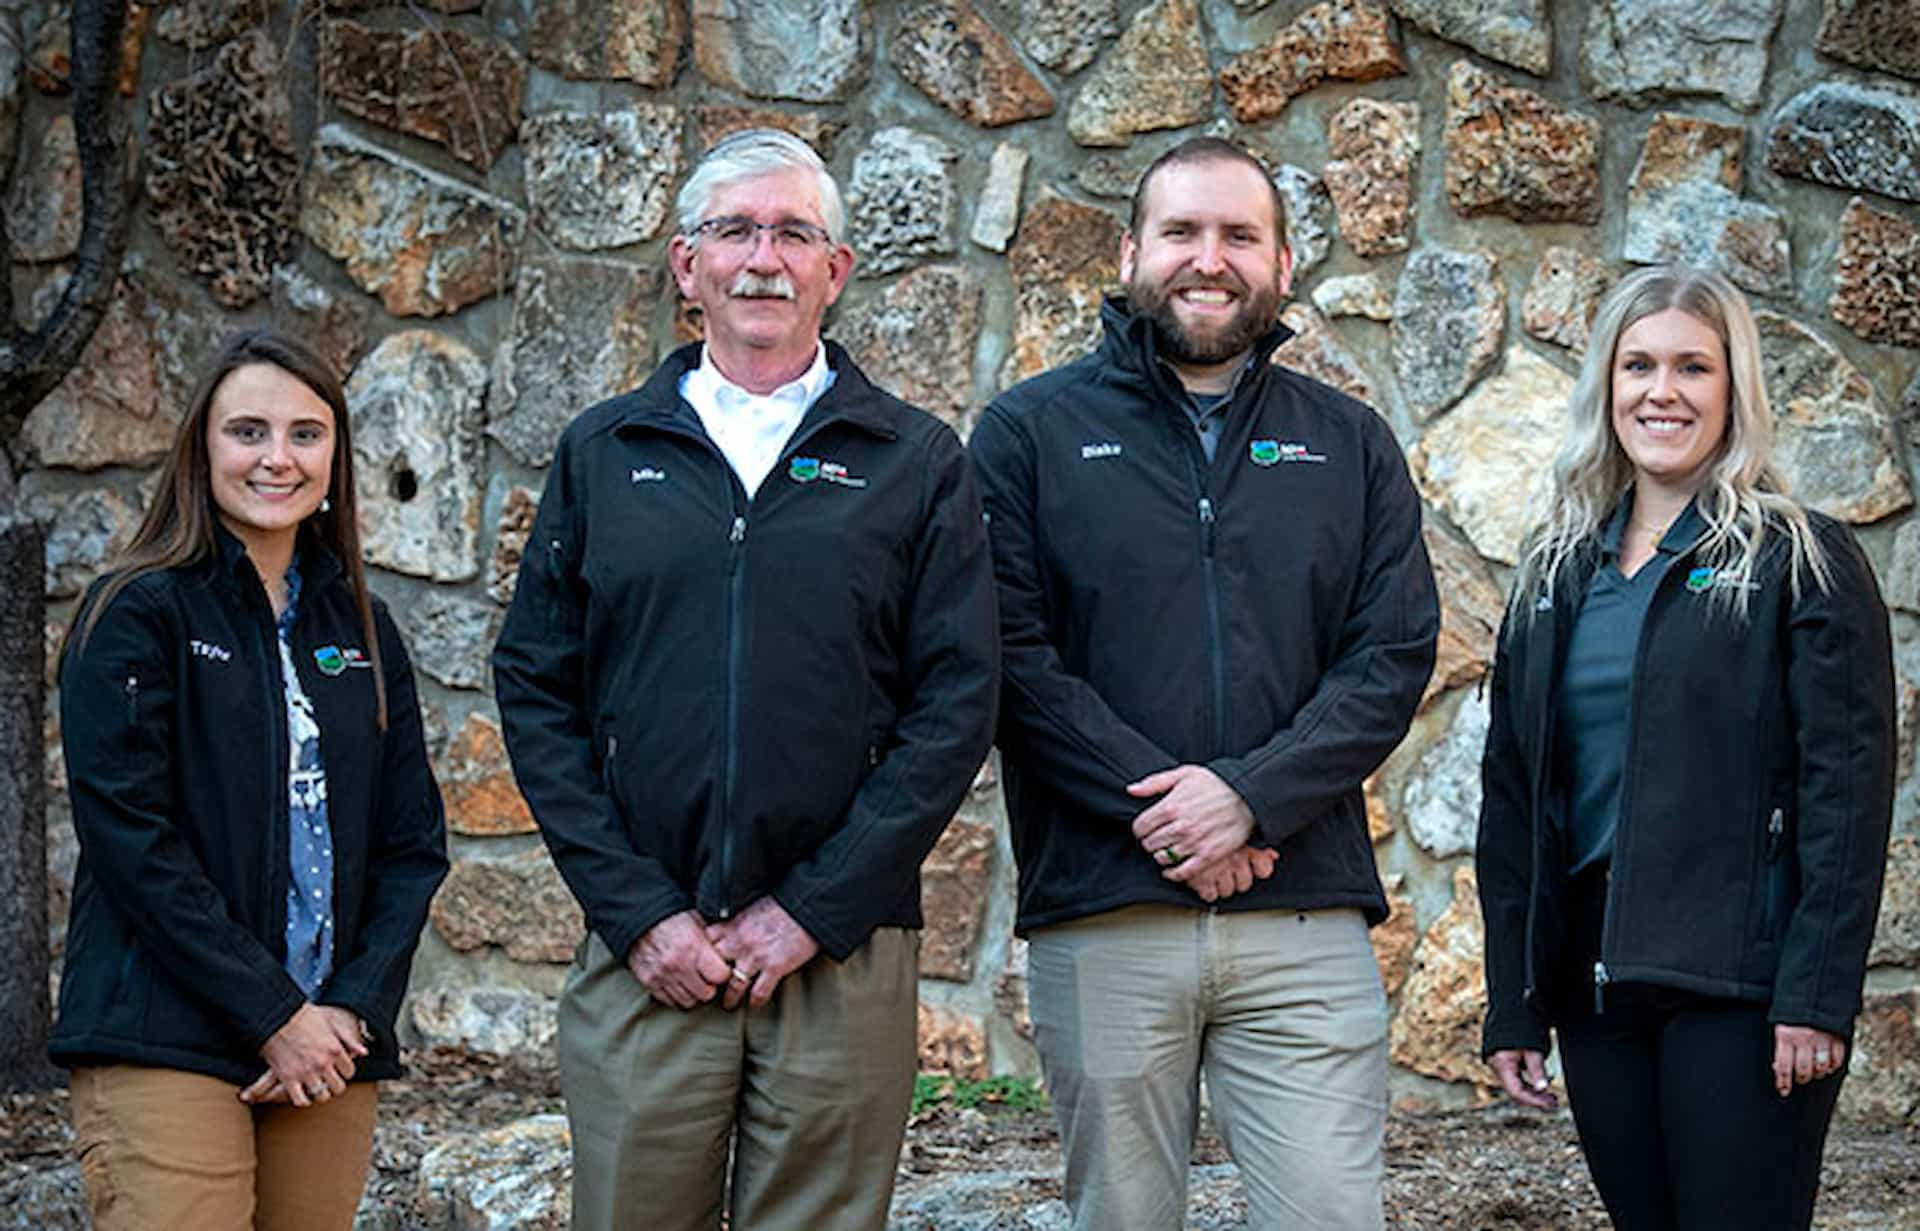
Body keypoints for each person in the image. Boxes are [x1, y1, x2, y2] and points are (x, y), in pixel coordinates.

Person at [492, 127, 998, 1231]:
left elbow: (957, 702)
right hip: (647, 951)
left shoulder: (913, 461)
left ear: (835, 269)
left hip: (840, 949)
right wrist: (637, 911)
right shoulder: (602, 451)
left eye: (793, 232)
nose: (762, 256)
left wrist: (811, 909)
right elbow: (536, 687)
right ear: (689, 265)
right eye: (735, 230)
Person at [968, 136, 1440, 1231]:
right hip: (1107, 906)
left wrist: (1250, 799)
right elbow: (1009, 658)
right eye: (1182, 231)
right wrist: (1179, 814)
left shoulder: (1349, 443)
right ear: (1135, 250)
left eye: (1239, 234)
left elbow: (1390, 658)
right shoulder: (1027, 435)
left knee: (1331, 1214)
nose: (1208, 258)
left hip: (1303, 913)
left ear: (1280, 263)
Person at [1477, 264, 1895, 1230]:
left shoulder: (1803, 560)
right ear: (1606, 385)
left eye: (1692, 368)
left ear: (1732, 388)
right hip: (1596, 992)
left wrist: (1817, 996)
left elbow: (1849, 793)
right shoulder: (1554, 575)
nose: (1661, 392)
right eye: (1638, 366)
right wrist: (1514, 1000)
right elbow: (1512, 801)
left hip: (1742, 996)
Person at [53, 328, 449, 1230]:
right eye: (249, 431)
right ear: (203, 445)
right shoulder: (136, 612)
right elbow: (130, 839)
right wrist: (273, 1011)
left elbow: (413, 845)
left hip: (326, 1050)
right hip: (168, 1036)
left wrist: (350, 1007)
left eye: (306, 434)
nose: (279, 458)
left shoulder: (365, 627)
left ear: (336, 456)